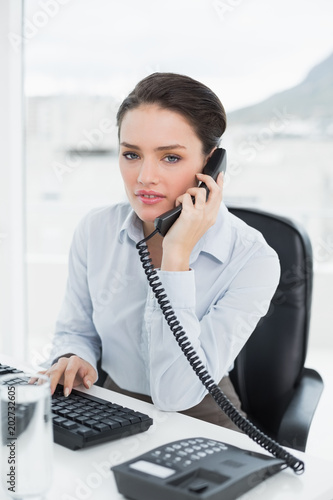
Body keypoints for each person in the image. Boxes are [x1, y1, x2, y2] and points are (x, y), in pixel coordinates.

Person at [43, 73, 280, 430]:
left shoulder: (253, 260)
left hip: (203, 412)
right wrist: (76, 356)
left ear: (211, 165)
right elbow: (76, 328)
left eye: (170, 158)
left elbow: (175, 394)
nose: (144, 177)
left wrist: (176, 256)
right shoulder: (96, 230)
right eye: (131, 154)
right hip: (112, 400)